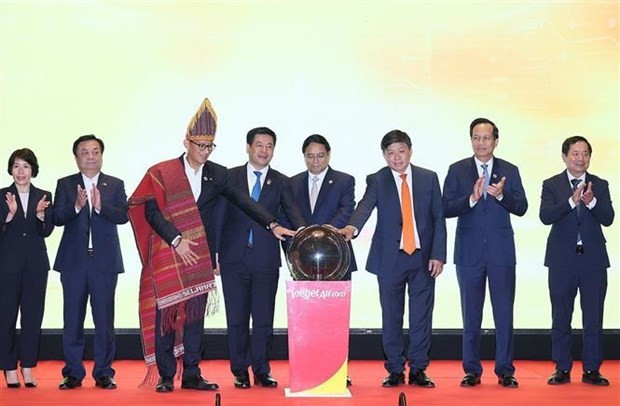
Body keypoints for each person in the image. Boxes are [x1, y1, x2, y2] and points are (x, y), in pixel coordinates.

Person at [128, 100, 296, 393]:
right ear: (187, 142)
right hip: (169, 252)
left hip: (198, 255)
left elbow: (243, 200)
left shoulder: (218, 174)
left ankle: (192, 373)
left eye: (210, 146)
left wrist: (271, 224)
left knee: (194, 316)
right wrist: (176, 240)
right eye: (201, 145)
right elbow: (152, 213)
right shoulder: (163, 171)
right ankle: (167, 375)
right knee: (167, 316)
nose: (205, 151)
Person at [340, 129, 446, 388]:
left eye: (401, 151)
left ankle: (419, 369)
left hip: (423, 259)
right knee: (392, 316)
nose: (396, 158)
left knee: (421, 317)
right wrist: (351, 228)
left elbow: (438, 219)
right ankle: (396, 369)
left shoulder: (428, 178)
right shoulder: (378, 179)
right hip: (390, 259)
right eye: (390, 153)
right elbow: (365, 206)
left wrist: (438, 255)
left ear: (410, 150)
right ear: (384, 155)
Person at [214, 126, 305, 389]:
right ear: (248, 147)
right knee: (237, 318)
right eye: (259, 145)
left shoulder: (282, 181)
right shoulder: (228, 178)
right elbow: (219, 219)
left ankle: (262, 370)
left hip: (266, 260)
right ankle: (240, 370)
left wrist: (305, 235)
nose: (264, 151)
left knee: (264, 318)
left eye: (269, 146)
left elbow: (292, 214)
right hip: (233, 259)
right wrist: (215, 255)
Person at [442, 117, 528, 388]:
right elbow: (445, 208)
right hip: (468, 254)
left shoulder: (510, 170)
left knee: (504, 314)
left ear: (495, 141)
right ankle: (471, 370)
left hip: (502, 253)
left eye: (487, 137)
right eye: (477, 138)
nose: (481, 142)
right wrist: (471, 199)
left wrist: (502, 196)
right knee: (471, 315)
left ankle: (505, 370)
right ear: (471, 141)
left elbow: (522, 206)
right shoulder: (457, 170)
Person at [53, 134, 128, 390]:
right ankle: (73, 372)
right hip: (74, 263)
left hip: (104, 264)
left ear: (101, 156)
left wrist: (100, 207)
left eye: (95, 152)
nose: (90, 157)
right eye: (84, 152)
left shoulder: (115, 185)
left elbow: (123, 216)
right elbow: (56, 218)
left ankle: (104, 372)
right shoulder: (65, 184)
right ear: (76, 158)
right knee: (72, 319)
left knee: (104, 321)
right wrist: (76, 206)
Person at [540, 135, 614, 386]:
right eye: (575, 153)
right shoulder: (552, 184)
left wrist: (591, 201)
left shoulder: (600, 185)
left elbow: (608, 218)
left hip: (593, 261)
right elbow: (545, 216)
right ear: (564, 156)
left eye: (585, 154)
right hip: (562, 261)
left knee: (593, 316)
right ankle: (562, 367)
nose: (581, 158)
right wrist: (572, 201)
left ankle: (592, 369)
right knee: (561, 315)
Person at [283, 133, 357, 386]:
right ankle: (307, 368)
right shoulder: (291, 183)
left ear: (329, 154)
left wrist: (320, 236)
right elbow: (288, 215)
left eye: (320, 155)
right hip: (302, 263)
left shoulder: (345, 181)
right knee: (307, 319)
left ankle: (337, 370)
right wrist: (304, 240)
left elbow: (347, 210)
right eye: (310, 156)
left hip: (336, 260)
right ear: (304, 156)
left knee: (333, 321)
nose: (315, 161)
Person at [0, 148, 54, 388]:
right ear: (10, 169)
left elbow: (47, 231)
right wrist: (9, 217)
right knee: (6, 318)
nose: (21, 171)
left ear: (33, 170)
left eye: (26, 166)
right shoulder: (1, 196)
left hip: (36, 266)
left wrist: (41, 216)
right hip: (7, 266)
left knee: (33, 318)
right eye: (16, 166)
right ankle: (9, 368)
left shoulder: (44, 195)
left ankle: (29, 367)